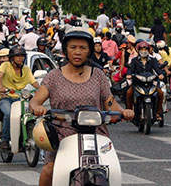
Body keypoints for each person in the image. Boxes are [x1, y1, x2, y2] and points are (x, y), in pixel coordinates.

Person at [29, 29, 133, 186]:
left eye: (82, 48)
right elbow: (35, 101)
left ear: (89, 51)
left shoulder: (98, 75)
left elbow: (109, 102)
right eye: (73, 47)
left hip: (96, 133)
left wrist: (123, 112)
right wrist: (37, 107)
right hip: (62, 134)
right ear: (65, 50)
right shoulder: (54, 77)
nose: (77, 52)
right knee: (49, 169)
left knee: (111, 170)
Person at [0, 45, 40, 150]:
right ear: (12, 58)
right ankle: (5, 140)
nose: (20, 58)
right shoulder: (5, 66)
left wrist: (42, 89)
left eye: (22, 56)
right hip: (6, 97)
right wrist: (1, 87)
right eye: (17, 56)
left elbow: (33, 82)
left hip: (21, 98)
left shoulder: (26, 69)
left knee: (29, 114)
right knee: (8, 113)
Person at [125, 41, 166, 121]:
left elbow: (157, 69)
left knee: (160, 93)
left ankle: (158, 112)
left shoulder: (152, 60)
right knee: (128, 93)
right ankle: (129, 112)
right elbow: (130, 69)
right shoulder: (134, 60)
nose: (144, 51)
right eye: (142, 49)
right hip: (137, 83)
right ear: (138, 50)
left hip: (150, 83)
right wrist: (129, 75)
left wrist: (161, 74)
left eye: (145, 49)